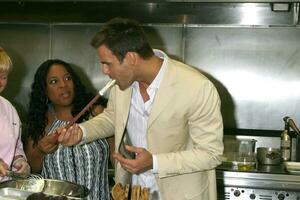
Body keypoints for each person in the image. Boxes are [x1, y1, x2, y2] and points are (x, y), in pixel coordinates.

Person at [58, 18, 224, 200]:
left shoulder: (197, 87)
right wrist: (81, 132)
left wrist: (154, 163)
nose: (104, 71)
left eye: (107, 63)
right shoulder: (122, 83)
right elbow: (113, 118)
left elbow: (211, 154)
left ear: (131, 58)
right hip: (136, 193)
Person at [24, 59, 110, 200]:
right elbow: (30, 172)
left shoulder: (97, 114)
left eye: (67, 78)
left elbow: (120, 159)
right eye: (54, 81)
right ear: (44, 90)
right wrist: (40, 150)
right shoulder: (39, 123)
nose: (63, 85)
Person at [0, 47, 30, 182]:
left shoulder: (8, 109)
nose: (0, 82)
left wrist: (19, 160)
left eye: (3, 77)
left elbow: (16, 146)